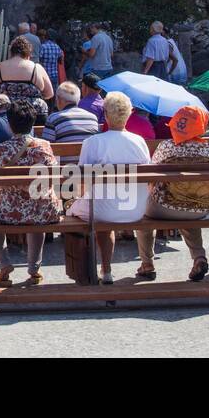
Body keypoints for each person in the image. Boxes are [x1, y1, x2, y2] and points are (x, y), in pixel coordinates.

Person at [69, 92, 151, 284]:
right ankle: (107, 270)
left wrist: (80, 199)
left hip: (103, 209)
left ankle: (102, 270)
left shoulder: (93, 143)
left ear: (105, 114)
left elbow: (82, 180)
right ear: (129, 114)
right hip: (135, 209)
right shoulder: (139, 142)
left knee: (85, 210)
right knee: (102, 206)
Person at [133, 106, 209, 283]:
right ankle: (199, 257)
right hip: (201, 207)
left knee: (142, 211)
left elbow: (151, 175)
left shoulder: (167, 146)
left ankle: (147, 263)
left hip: (164, 207)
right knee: (189, 205)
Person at [0, 98, 61, 286]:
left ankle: (4, 265)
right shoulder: (45, 146)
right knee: (37, 209)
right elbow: (54, 174)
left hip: (10, 211)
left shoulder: (0, 150)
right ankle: (34, 270)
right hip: (44, 210)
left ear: (9, 123)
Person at [0, 36, 53, 109]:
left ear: (11, 52)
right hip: (33, 114)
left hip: (6, 114)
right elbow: (49, 93)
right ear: (28, 54)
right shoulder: (37, 68)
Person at [43, 81, 99, 154]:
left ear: (59, 99)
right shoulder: (93, 118)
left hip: (63, 164)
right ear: (78, 100)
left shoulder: (53, 118)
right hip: (87, 164)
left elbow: (46, 148)